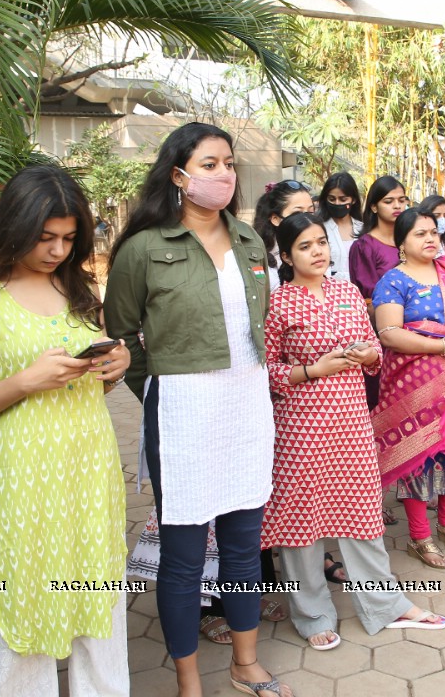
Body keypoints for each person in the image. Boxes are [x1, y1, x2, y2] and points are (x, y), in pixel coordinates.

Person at [104, 122, 292, 697]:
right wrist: (160, 393)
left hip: (245, 405)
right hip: (183, 413)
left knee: (242, 543)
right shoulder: (143, 249)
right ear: (179, 174)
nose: (224, 175)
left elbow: (254, 329)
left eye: (229, 164)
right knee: (183, 556)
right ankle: (188, 681)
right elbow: (122, 336)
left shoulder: (250, 242)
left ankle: (244, 660)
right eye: (209, 164)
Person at [0, 165, 130, 696]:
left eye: (69, 238)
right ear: (13, 227)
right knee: (24, 592)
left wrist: (111, 368)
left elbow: (90, 388)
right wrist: (26, 381)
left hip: (88, 469)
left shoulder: (76, 291)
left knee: (96, 590)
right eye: (45, 237)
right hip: (22, 476)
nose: (57, 250)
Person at [263, 213, 445, 648]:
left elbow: (376, 354)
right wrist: (312, 369)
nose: (317, 252)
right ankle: (311, 615)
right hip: (301, 427)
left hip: (351, 423)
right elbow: (268, 371)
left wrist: (367, 356)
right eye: (305, 246)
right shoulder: (278, 303)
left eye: (321, 243)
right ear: (286, 255)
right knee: (299, 522)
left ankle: (386, 604)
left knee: (361, 514)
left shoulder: (348, 292)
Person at [371, 209, 445, 568]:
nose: (430, 239)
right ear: (401, 242)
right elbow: (390, 334)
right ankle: (420, 537)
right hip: (414, 386)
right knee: (418, 456)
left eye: (434, 233)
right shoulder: (393, 281)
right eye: (420, 234)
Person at [349, 174, 408, 413]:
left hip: (418, 332)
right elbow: (369, 298)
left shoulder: (410, 241)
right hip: (383, 335)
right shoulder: (365, 245)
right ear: (373, 206)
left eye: (402, 200)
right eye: (389, 200)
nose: (397, 206)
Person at [252, 179, 314, 289]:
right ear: (275, 218)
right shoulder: (258, 258)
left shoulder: (319, 249)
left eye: (310, 212)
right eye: (297, 213)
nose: (306, 220)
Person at [318, 171, 364, 281]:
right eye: (332, 199)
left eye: (343, 199)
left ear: (353, 200)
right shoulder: (319, 229)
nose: (337, 203)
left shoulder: (363, 229)